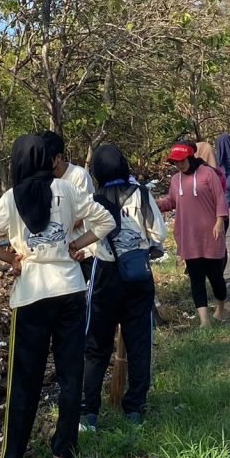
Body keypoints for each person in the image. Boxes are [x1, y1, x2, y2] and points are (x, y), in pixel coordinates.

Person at [0, 134, 114, 458]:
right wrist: (77, 245)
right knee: (70, 373)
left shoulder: (10, 199)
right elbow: (105, 221)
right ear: (47, 160)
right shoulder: (66, 190)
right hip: (70, 290)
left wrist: (12, 257)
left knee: (25, 377)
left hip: (31, 294)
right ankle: (64, 451)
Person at [81, 144, 167, 429]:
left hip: (105, 276)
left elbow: (88, 241)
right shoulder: (141, 194)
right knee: (139, 342)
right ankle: (134, 410)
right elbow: (159, 233)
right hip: (138, 275)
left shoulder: (93, 200)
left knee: (96, 346)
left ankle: (89, 412)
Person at [157, 142, 229, 326]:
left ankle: (221, 307)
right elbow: (171, 201)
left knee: (215, 277)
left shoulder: (208, 173)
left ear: (190, 157)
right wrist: (154, 203)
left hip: (210, 234)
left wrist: (220, 221)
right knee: (196, 279)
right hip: (188, 236)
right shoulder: (175, 180)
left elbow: (220, 199)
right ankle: (204, 320)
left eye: (181, 161)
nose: (179, 165)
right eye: (175, 162)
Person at [42, 130, 97, 279]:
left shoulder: (78, 176)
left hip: (81, 252)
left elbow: (79, 220)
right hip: (54, 255)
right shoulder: (42, 180)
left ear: (58, 157)